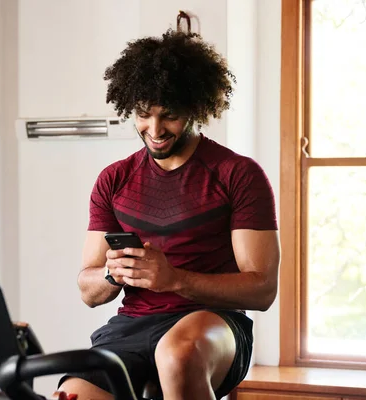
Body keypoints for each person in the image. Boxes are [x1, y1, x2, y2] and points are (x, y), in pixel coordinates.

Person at [57, 29, 280, 400]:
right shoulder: (114, 179)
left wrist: (174, 279)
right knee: (72, 395)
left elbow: (262, 290)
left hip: (213, 323)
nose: (155, 130)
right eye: (144, 115)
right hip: (132, 326)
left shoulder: (238, 174)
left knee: (177, 355)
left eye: (170, 116)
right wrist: (114, 273)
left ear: (196, 108)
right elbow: (89, 290)